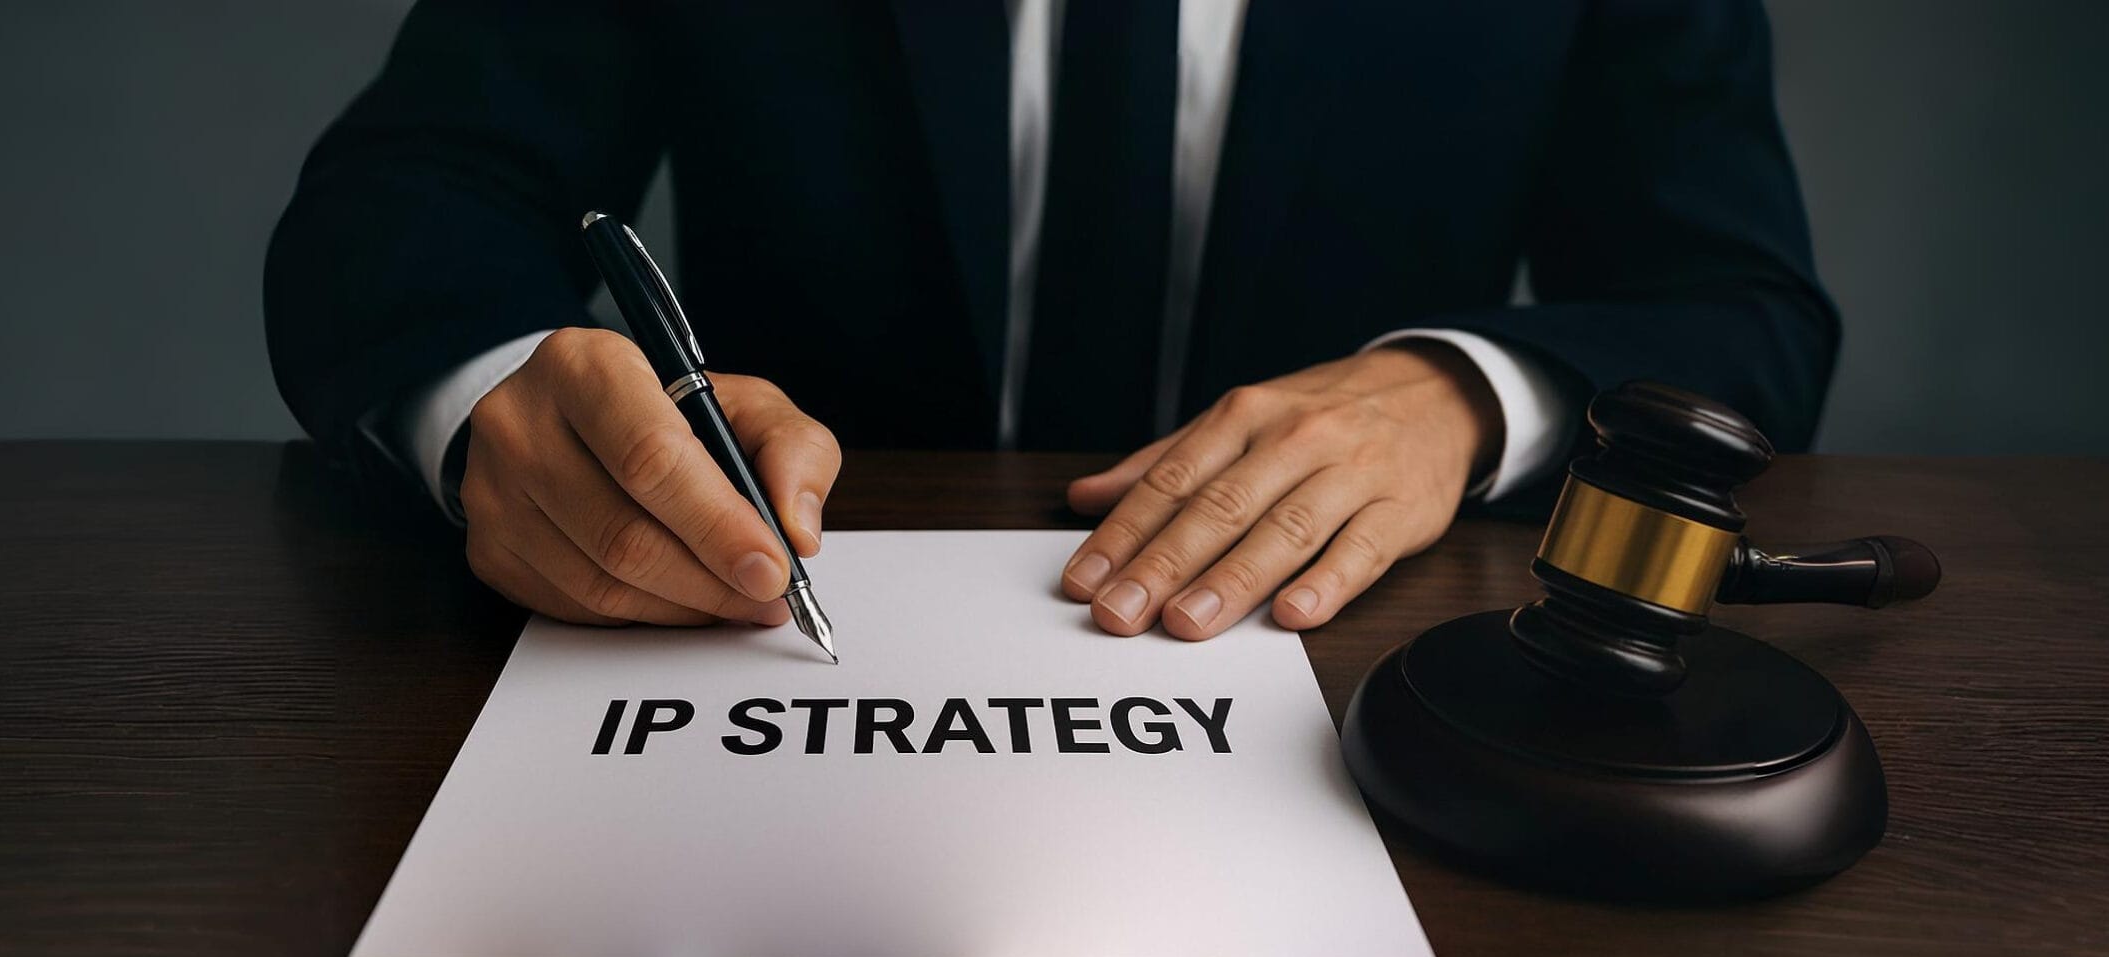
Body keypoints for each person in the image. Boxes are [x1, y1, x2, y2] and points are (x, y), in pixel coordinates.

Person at [265, 0, 1835, 641]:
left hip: (1358, 691)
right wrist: (488, 397)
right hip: (758, 634)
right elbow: (405, 196)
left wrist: (1461, 397)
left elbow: (1743, 306)